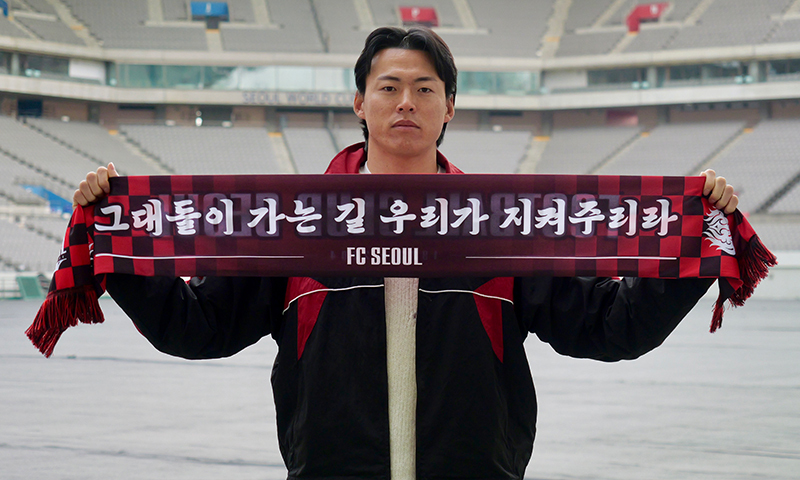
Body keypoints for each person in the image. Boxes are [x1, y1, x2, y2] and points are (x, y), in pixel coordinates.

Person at [74, 27, 738, 480]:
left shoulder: (501, 227)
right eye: (389, 87)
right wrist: (115, 246)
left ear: (449, 107)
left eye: (424, 89)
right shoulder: (291, 224)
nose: (406, 103)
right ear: (359, 103)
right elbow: (197, 327)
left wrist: (694, 247)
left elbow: (611, 327)